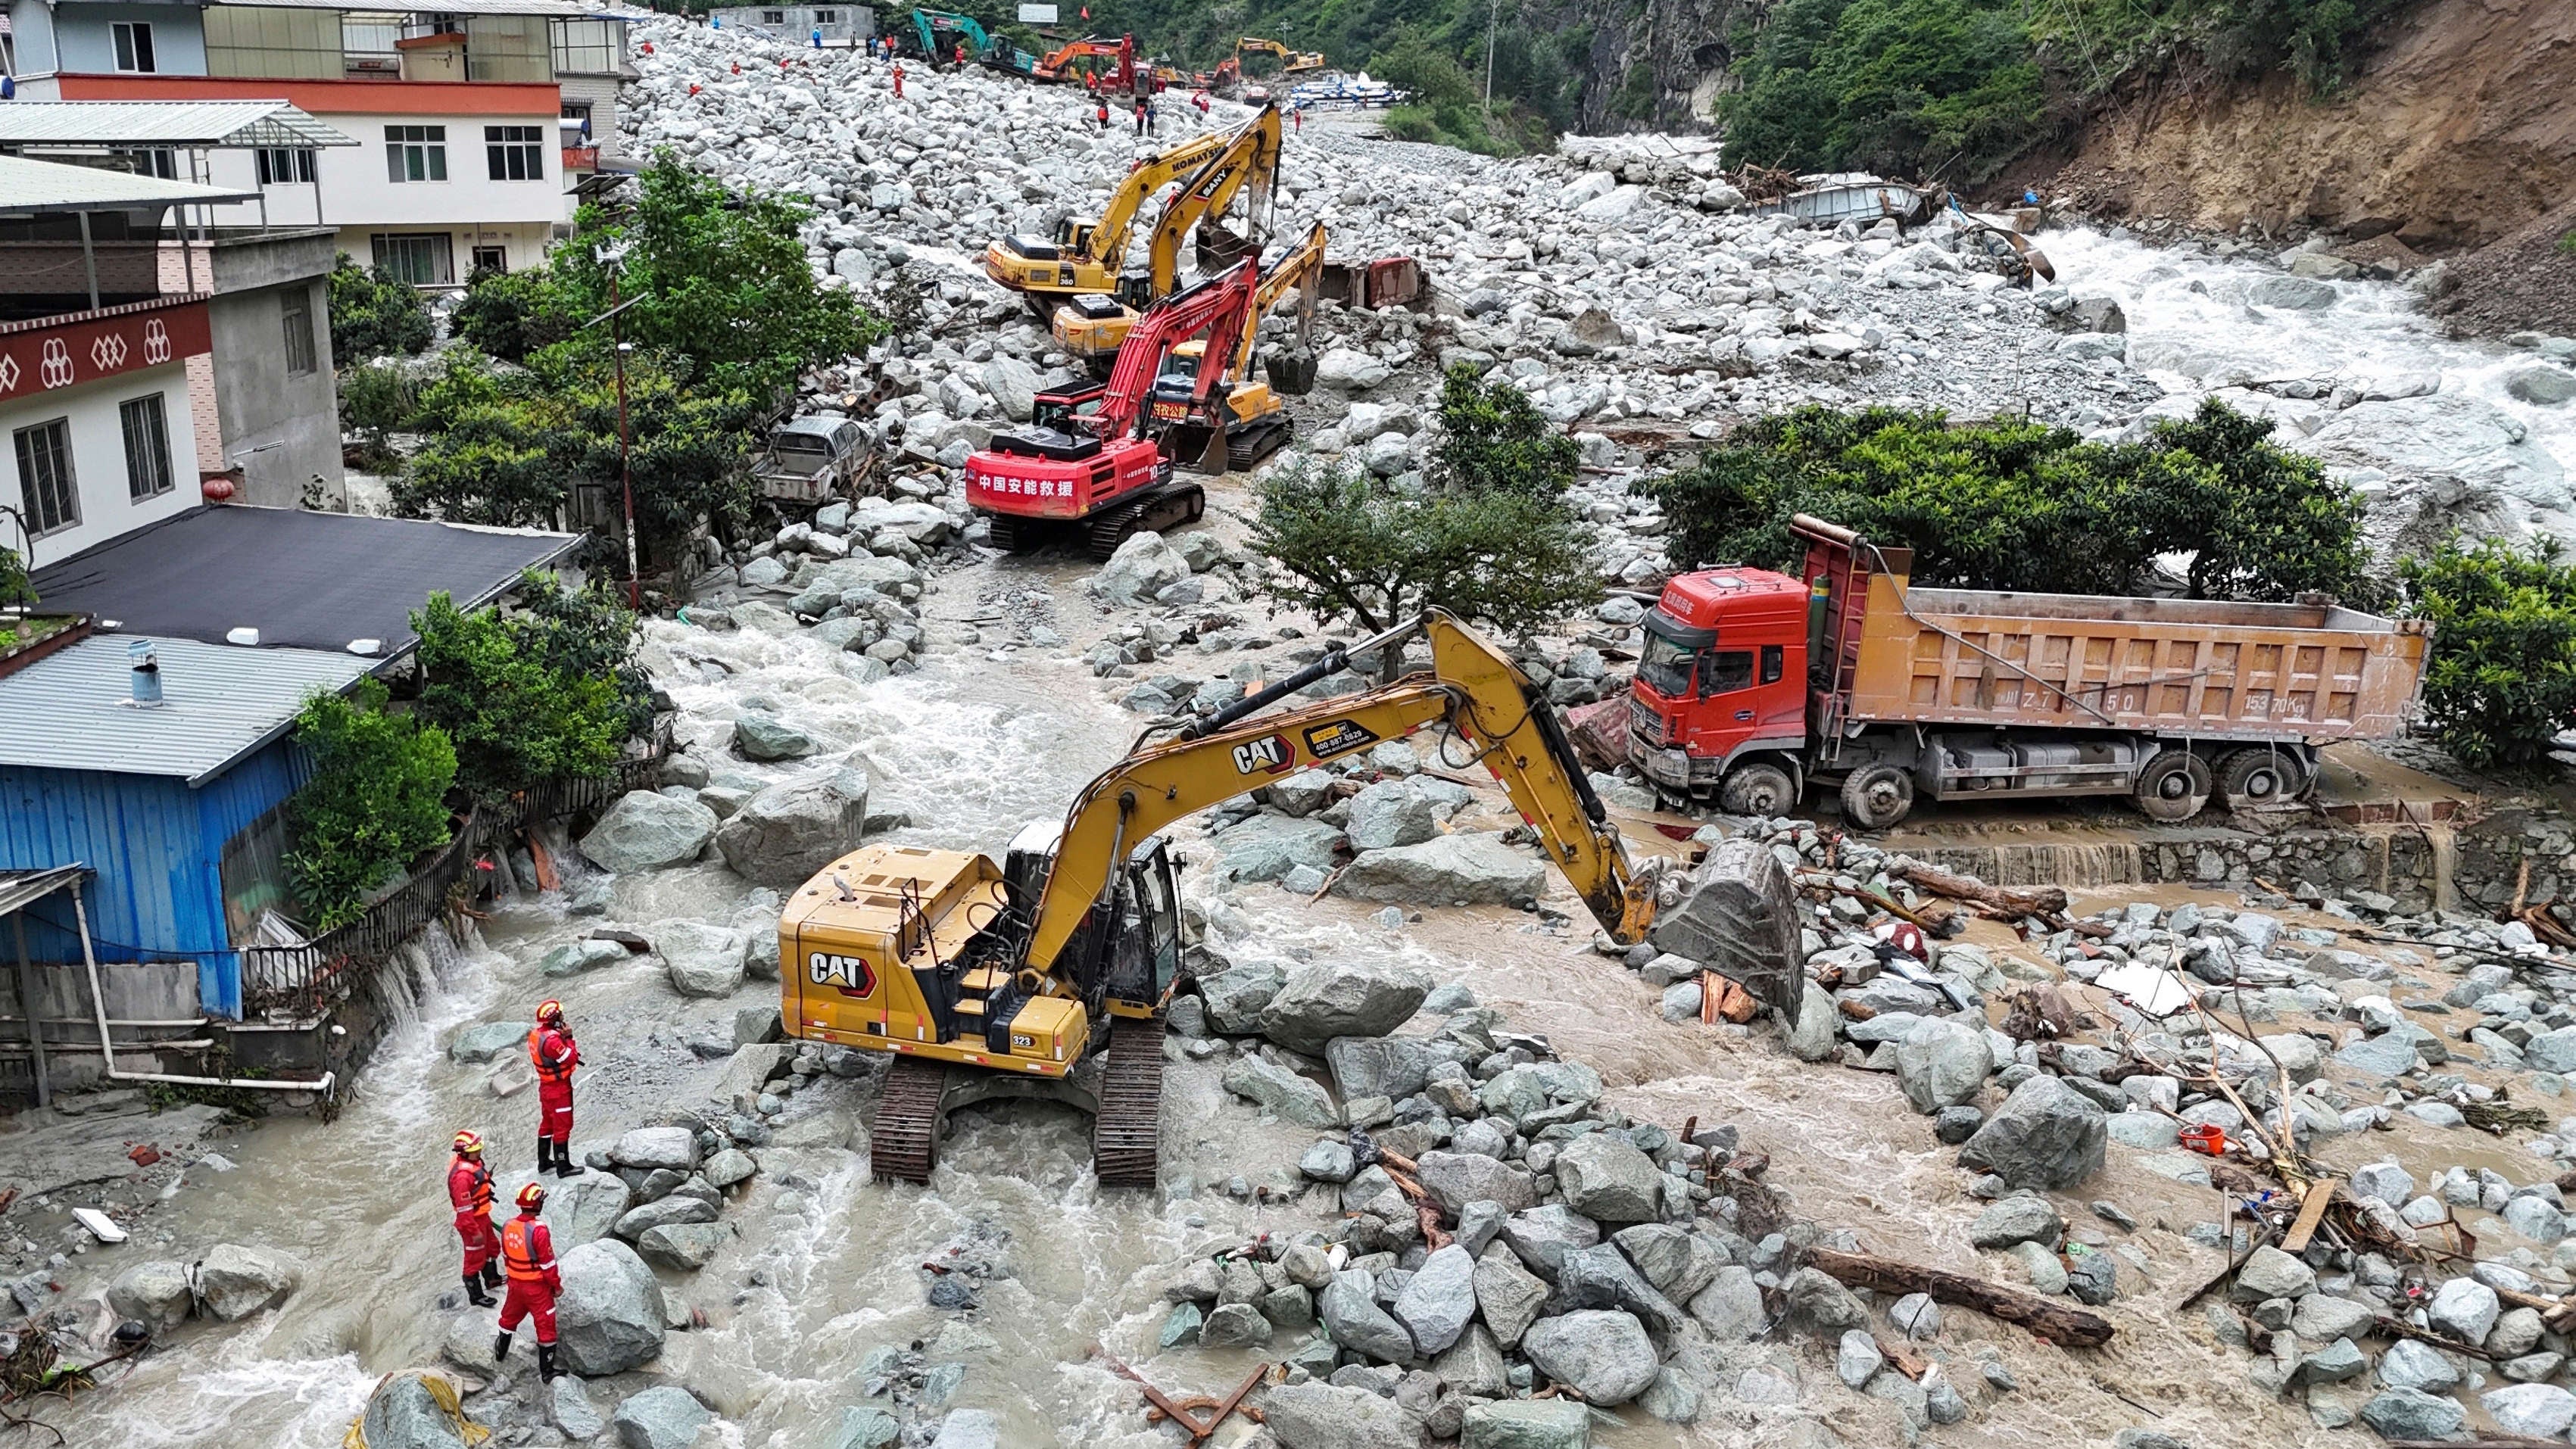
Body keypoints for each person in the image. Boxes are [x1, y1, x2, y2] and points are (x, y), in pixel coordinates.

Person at [493, 1183, 562, 1382]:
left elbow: (506, 1254)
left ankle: (500, 1352)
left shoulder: (507, 1226)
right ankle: (547, 1372)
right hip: (537, 1288)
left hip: (515, 1284)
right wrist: (556, 1287)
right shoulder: (539, 1230)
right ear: (538, 1205)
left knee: (508, 1318)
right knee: (545, 1325)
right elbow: (548, 1265)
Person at [447, 1130, 502, 1308]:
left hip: (482, 1216)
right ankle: (476, 1296)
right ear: (464, 1152)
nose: (479, 1154)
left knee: (492, 1247)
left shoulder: (471, 1163)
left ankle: (492, 1279)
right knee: (474, 1260)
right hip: (471, 1222)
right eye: (475, 1150)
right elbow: (464, 1210)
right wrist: (473, 1231)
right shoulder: (462, 1178)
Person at [526, 1000, 580, 1177]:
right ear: (555, 1018)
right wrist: (569, 1038)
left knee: (547, 1124)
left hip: (546, 1087)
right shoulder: (552, 1041)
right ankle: (563, 1166)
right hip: (559, 1090)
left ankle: (543, 1162)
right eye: (560, 1015)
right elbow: (570, 1058)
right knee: (563, 1126)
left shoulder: (536, 1035)